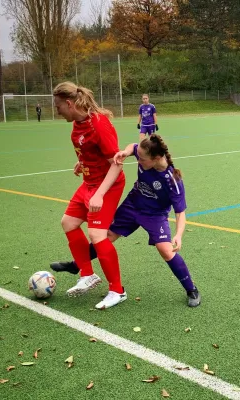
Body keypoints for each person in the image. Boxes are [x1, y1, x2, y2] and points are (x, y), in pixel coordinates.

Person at [51, 134, 201, 307]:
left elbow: (180, 212)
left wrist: (179, 235)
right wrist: (125, 152)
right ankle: (78, 264)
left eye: (143, 159)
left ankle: (191, 289)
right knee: (105, 237)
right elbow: (133, 147)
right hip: (132, 206)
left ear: (157, 158)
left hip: (155, 215)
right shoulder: (144, 153)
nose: (139, 161)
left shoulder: (172, 180)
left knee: (165, 250)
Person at [53, 81, 127, 310]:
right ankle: (87, 274)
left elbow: (116, 164)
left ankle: (117, 290)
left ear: (69, 103)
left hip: (108, 185)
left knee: (97, 234)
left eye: (58, 106)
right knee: (68, 222)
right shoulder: (77, 123)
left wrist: (100, 195)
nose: (56, 111)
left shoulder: (98, 125)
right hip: (89, 182)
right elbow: (90, 150)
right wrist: (82, 162)